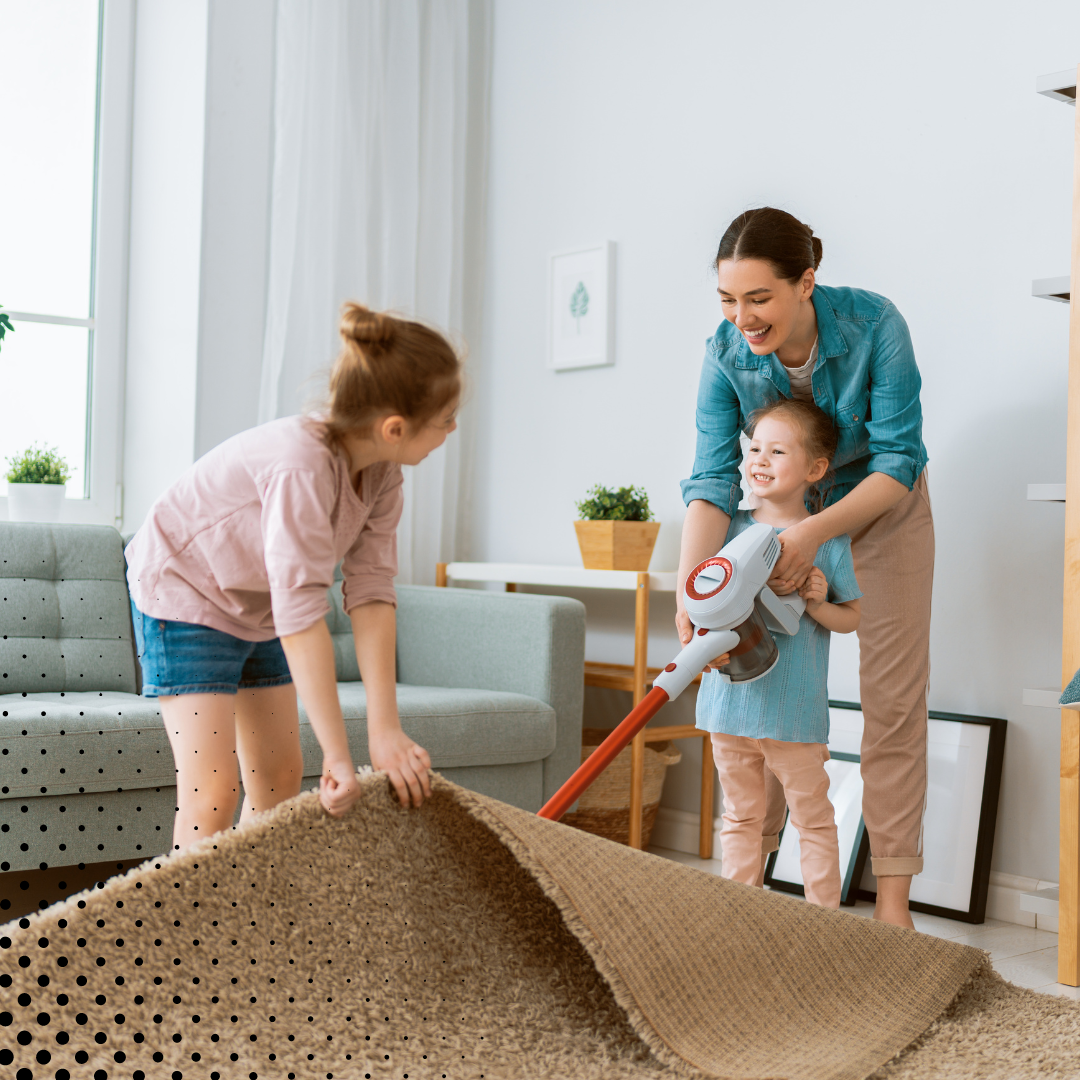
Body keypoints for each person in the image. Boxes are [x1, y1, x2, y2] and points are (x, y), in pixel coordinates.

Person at [125, 304, 461, 853]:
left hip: (260, 604)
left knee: (279, 778)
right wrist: (338, 755)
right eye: (447, 417)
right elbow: (303, 616)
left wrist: (384, 732)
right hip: (185, 593)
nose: (453, 427)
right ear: (396, 427)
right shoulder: (300, 466)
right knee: (212, 792)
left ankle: (247, 922)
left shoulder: (384, 471)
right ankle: (184, 935)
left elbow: (371, 590)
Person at [679, 207, 932, 928]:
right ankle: (749, 901)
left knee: (891, 698)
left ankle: (890, 909)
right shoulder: (725, 353)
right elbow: (709, 476)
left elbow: (898, 462)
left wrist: (811, 536)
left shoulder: (875, 325)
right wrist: (690, 579)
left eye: (758, 298)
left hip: (880, 506)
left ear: (806, 283)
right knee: (754, 698)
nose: (742, 318)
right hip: (771, 521)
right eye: (728, 300)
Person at [698, 399, 861, 908]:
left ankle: (823, 925)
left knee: (812, 818)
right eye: (755, 449)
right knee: (741, 818)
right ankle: (741, 919)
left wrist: (817, 602)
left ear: (815, 469)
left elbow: (851, 618)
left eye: (777, 451)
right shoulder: (727, 530)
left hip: (792, 714)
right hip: (729, 707)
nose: (759, 460)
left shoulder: (827, 544)